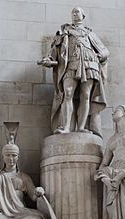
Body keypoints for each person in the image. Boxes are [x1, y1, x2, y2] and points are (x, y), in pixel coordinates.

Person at [40, 7, 109, 137]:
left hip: (89, 64)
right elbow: (55, 49)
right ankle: (66, 127)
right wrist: (49, 59)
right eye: (73, 12)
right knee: (68, 93)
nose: (74, 13)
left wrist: (101, 56)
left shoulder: (89, 33)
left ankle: (82, 127)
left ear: (83, 16)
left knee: (86, 95)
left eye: (77, 11)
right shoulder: (64, 31)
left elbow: (104, 50)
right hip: (70, 64)